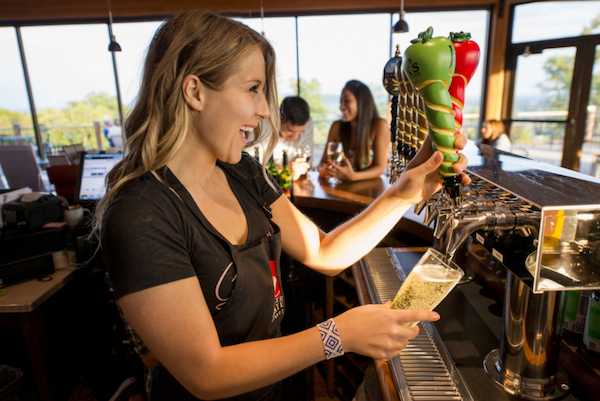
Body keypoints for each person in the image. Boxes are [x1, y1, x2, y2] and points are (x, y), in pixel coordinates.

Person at [93, 10, 469, 401]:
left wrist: (405, 190)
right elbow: (207, 373)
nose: (265, 111)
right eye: (253, 89)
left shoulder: (243, 172)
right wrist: (337, 335)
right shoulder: (140, 213)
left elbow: (324, 251)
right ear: (195, 92)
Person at [318, 80, 389, 182]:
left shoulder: (379, 125)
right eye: (340, 102)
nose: (341, 106)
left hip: (370, 190)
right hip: (341, 188)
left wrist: (353, 176)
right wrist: (323, 171)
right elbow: (322, 163)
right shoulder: (336, 126)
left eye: (346, 100)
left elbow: (380, 168)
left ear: (361, 102)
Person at [255, 96, 313, 180]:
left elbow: (308, 164)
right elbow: (252, 167)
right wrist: (286, 167)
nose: (295, 137)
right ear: (280, 119)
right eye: (290, 130)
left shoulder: (308, 124)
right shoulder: (262, 125)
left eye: (300, 132)